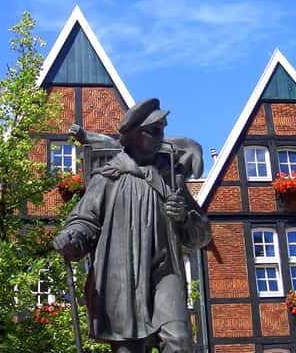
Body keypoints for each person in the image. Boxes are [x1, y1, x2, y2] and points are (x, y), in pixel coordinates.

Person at [53, 99, 211, 353]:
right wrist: (71, 238)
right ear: (135, 135)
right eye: (154, 131)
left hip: (164, 274)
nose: (162, 137)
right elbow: (84, 221)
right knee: (129, 349)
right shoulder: (108, 178)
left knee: (179, 341)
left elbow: (201, 235)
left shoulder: (171, 177)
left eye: (163, 130)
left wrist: (184, 218)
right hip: (122, 278)